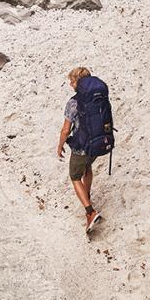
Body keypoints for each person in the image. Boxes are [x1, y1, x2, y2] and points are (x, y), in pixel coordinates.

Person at [56, 67, 104, 233]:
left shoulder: (73, 103)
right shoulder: (99, 96)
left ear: (78, 83)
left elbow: (65, 130)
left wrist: (60, 145)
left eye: (72, 81)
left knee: (75, 176)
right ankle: (87, 196)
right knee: (87, 168)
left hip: (81, 146)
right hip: (98, 144)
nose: (70, 84)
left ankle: (90, 212)